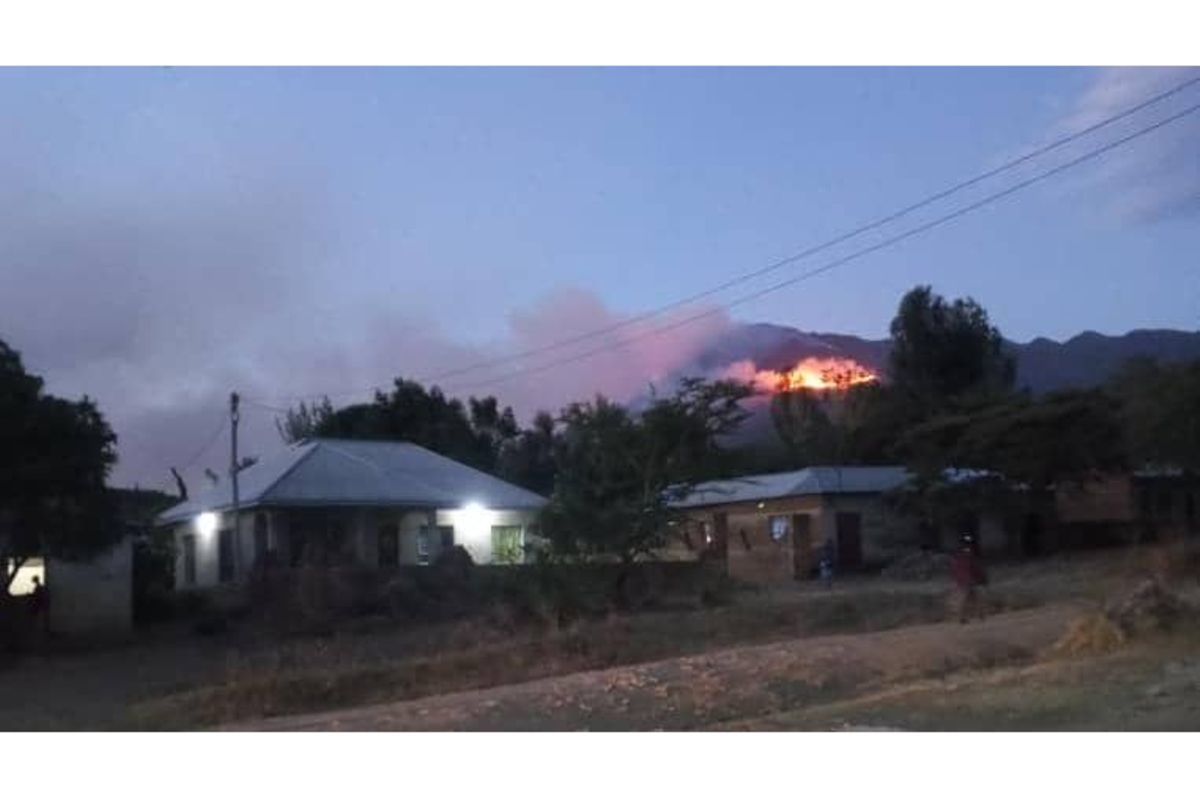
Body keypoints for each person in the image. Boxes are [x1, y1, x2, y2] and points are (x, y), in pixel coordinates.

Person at [951, 534, 987, 623]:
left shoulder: (958, 554)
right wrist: (982, 578)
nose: (968, 544)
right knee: (974, 599)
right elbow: (974, 567)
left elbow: (956, 569)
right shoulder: (968, 553)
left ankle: (965, 617)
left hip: (963, 581)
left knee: (966, 600)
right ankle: (978, 615)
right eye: (968, 542)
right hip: (969, 580)